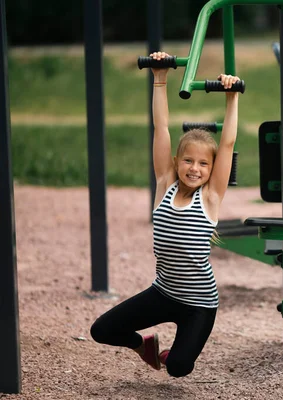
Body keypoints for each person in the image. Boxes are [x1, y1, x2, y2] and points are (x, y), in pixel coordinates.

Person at [90, 51, 241, 377]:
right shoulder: (165, 185)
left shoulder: (211, 197)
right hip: (163, 292)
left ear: (212, 170)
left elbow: (227, 144)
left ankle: (175, 352)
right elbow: (161, 128)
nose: (195, 168)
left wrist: (232, 99)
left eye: (203, 164)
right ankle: (142, 345)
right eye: (188, 161)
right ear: (176, 162)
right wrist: (160, 77)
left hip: (199, 304)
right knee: (101, 330)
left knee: (177, 367)